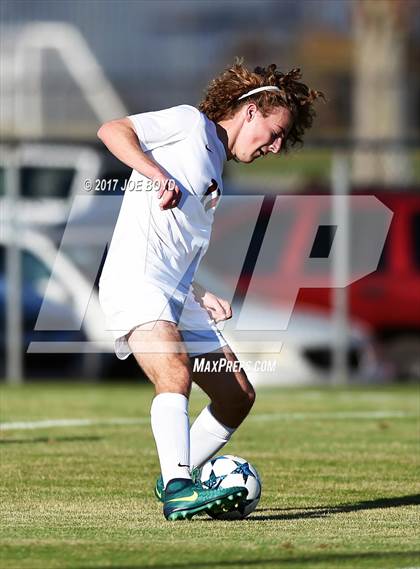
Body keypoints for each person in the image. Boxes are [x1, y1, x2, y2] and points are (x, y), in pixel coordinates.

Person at [97, 59, 323, 520]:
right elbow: (112, 130)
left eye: (282, 142)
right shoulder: (188, 123)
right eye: (274, 133)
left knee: (237, 394)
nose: (276, 148)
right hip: (135, 281)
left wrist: (199, 291)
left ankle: (174, 476)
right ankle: (181, 487)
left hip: (175, 291)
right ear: (251, 112)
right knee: (173, 370)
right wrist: (153, 173)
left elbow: (174, 244)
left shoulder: (217, 173)